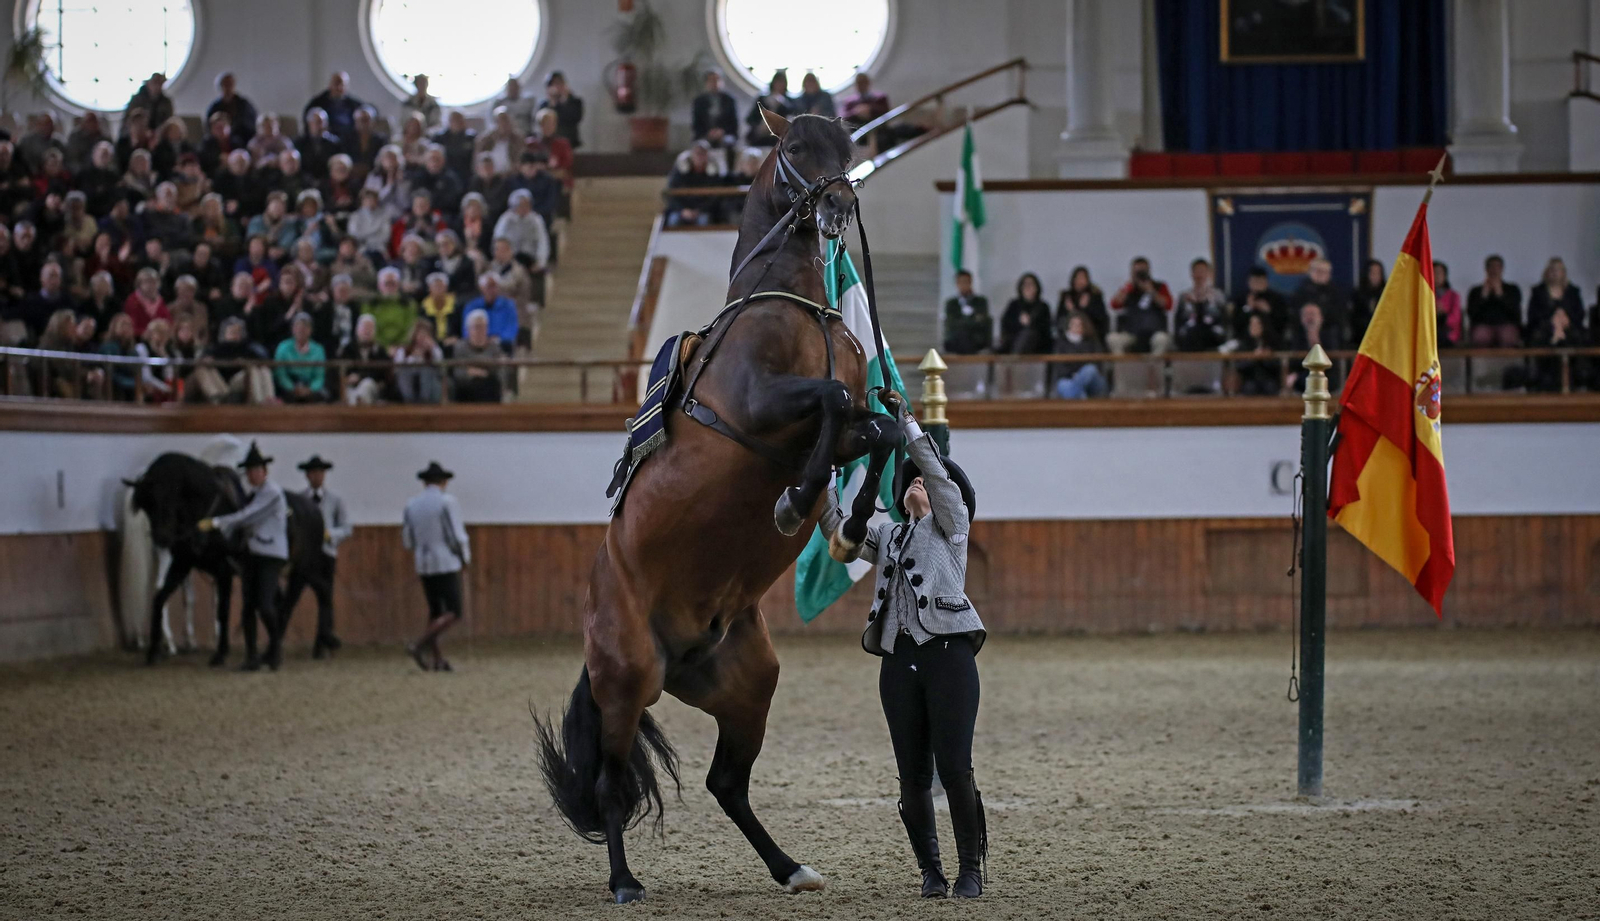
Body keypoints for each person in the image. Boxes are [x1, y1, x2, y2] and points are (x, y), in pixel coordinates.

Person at [815, 390, 987, 900]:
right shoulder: (888, 535)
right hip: (898, 661)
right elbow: (840, 538)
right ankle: (931, 873)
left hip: (950, 658)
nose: (917, 481)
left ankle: (971, 870)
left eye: (925, 481)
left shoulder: (952, 525)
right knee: (911, 775)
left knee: (955, 767)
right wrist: (822, 479)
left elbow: (936, 473)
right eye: (908, 479)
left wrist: (909, 424)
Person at [198, 442, 289, 670]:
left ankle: (275, 648)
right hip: (253, 554)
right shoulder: (254, 493)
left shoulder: (272, 493)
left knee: (266, 605)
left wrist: (217, 522)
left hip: (270, 555)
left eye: (255, 470)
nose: (251, 475)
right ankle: (252, 656)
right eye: (248, 471)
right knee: (248, 606)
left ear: (264, 472)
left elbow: (248, 516)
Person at [403, 461, 471, 671]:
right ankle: (420, 644)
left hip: (423, 562)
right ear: (443, 481)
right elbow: (457, 535)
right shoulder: (447, 502)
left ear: (425, 482)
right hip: (445, 560)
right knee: (454, 611)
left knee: (435, 612)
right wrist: (464, 557)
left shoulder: (412, 504)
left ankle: (437, 659)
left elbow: (407, 540)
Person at [283, 455, 348, 659]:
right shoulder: (298, 500)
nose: (317, 476)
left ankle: (322, 645)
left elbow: (346, 527)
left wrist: (331, 535)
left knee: (325, 599)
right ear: (307, 476)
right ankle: (277, 641)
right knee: (290, 598)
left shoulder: (335, 499)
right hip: (303, 556)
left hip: (325, 554)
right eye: (313, 473)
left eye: (320, 473)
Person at [1107, 258, 1171, 355]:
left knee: (1162, 339)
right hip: (1131, 331)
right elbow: (1114, 305)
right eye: (1137, 271)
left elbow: (1168, 305)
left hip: (1154, 330)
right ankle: (1124, 369)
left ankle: (1154, 369)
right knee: (1112, 338)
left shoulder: (1159, 286)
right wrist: (1128, 287)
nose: (1140, 274)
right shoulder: (1128, 289)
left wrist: (1151, 291)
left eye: (1143, 271)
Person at [449, 309, 506, 402]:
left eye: (483, 327)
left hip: (489, 386)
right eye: (476, 327)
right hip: (467, 387)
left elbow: (498, 370)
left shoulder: (494, 347)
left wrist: (476, 371)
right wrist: (477, 371)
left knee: (491, 384)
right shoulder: (460, 347)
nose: (480, 330)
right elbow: (458, 372)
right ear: (468, 329)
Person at [1466, 254, 1522, 347]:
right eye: (1491, 267)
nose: (1494, 270)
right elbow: (1472, 314)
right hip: (1483, 325)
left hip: (1506, 325)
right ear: (1486, 269)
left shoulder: (1512, 289)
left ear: (1502, 269)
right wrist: (1483, 296)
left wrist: (1500, 295)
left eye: (1497, 267)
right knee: (1480, 336)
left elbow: (1515, 313)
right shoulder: (1476, 291)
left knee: (1508, 336)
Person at [664, 141, 723, 226]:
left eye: (703, 154)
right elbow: (671, 194)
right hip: (681, 210)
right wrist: (683, 210)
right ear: (692, 155)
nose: (700, 157)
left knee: (704, 220)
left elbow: (715, 197)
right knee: (673, 220)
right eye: (697, 154)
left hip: (703, 210)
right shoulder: (679, 173)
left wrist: (699, 210)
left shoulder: (713, 175)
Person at [1052, 311, 1108, 399]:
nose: (1076, 327)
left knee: (1090, 369)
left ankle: (1079, 394)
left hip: (1092, 381)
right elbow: (1059, 366)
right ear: (1068, 325)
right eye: (1073, 324)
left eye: (1079, 324)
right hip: (1068, 378)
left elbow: (1097, 363)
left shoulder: (1092, 341)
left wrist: (1079, 376)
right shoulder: (1061, 343)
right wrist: (1074, 375)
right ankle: (1082, 397)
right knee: (1065, 385)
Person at [1292, 258, 1350, 344]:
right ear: (1310, 272)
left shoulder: (1336, 292)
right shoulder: (1300, 292)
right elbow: (1294, 314)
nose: (1321, 274)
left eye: (1325, 272)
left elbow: (1340, 314)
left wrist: (1319, 319)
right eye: (1318, 271)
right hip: (1303, 333)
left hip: (1329, 330)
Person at [492, 188, 550, 271]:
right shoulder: (506, 219)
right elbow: (497, 240)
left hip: (529, 258)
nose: (524, 208)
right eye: (521, 205)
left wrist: (541, 262)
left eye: (526, 205)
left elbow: (542, 242)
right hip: (509, 258)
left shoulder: (536, 220)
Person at [1526, 257, 1585, 337]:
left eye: (1558, 269)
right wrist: (1553, 320)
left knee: (1577, 335)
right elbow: (1533, 315)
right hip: (1544, 327)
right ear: (1547, 272)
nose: (1555, 273)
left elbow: (1579, 314)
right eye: (1552, 269)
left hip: (1569, 327)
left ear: (1564, 272)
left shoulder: (1573, 292)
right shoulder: (1538, 291)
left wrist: (1564, 319)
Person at [462, 272, 520, 354]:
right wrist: (481, 339)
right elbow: (466, 330)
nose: (492, 290)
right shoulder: (472, 306)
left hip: (500, 343)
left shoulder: (508, 305)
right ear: (482, 288)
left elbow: (512, 328)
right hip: (476, 344)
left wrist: (497, 339)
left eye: (495, 286)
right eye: (489, 287)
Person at [339, 313, 389, 404]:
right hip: (351, 387)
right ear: (357, 330)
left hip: (373, 387)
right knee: (350, 393)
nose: (367, 331)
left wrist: (360, 377)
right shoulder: (348, 349)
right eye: (364, 328)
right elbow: (342, 370)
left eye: (370, 328)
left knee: (367, 384)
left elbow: (382, 373)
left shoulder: (380, 350)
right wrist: (347, 379)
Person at [997, 272, 1051, 354]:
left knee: (1028, 335)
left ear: (1037, 288)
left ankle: (1014, 362)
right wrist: (1019, 322)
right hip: (1013, 340)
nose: (1028, 288)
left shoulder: (1043, 306)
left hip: (1037, 344)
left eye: (1031, 285)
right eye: (1025, 285)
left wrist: (1030, 323)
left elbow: (1046, 329)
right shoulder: (1014, 304)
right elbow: (1006, 324)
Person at [306, 72, 367, 143]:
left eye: (342, 85)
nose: (339, 88)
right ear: (330, 85)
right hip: (325, 142)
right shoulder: (317, 103)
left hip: (350, 141)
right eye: (336, 84)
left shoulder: (355, 105)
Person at [393, 318, 443, 403]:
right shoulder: (404, 350)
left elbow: (441, 364)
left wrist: (433, 347)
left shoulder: (433, 349)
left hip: (428, 379)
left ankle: (424, 401)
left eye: (425, 334)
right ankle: (409, 402)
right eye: (420, 334)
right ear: (414, 335)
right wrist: (413, 358)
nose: (422, 337)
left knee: (426, 369)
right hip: (409, 377)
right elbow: (397, 367)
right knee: (403, 372)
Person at [1233, 266, 1289, 342]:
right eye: (1255, 282)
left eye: (1260, 282)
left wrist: (1269, 311)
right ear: (1249, 282)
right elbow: (1236, 324)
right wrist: (1248, 308)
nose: (1257, 285)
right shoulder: (1241, 299)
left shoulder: (1276, 299)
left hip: (1273, 341)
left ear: (1266, 282)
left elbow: (1283, 323)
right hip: (1245, 342)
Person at [943, 270, 991, 355]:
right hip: (956, 340)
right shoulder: (951, 303)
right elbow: (952, 323)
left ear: (970, 283)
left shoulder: (980, 302)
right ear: (957, 284)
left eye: (966, 282)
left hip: (976, 339)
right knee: (961, 335)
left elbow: (982, 322)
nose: (963, 285)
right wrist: (972, 321)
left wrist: (962, 322)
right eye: (960, 282)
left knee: (967, 336)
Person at [1056, 266, 1109, 342]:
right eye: (1077, 278)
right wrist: (1071, 311)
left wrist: (1085, 308)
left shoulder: (1095, 296)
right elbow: (1059, 319)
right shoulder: (1066, 296)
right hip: (1069, 334)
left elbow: (1101, 319)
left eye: (1082, 278)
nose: (1079, 281)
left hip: (1091, 334)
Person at [746, 71, 797, 147]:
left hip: (778, 136)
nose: (779, 85)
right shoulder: (762, 99)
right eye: (778, 82)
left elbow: (791, 117)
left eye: (782, 82)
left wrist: (782, 104)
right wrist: (759, 127)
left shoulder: (789, 102)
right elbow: (750, 118)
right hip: (760, 135)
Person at [1234, 313, 1281, 396]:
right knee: (1250, 387)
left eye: (1257, 324)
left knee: (1270, 387)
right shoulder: (1244, 344)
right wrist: (1253, 358)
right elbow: (1239, 366)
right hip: (1250, 378)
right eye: (1252, 324)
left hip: (1268, 377)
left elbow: (1277, 365)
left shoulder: (1272, 341)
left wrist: (1266, 358)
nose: (1254, 327)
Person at [207, 72, 259, 145]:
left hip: (243, 140)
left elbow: (252, 124)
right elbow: (210, 127)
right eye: (225, 84)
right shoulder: (214, 107)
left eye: (230, 84)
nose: (228, 87)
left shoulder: (244, 105)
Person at [537, 70, 584, 150]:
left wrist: (564, 101)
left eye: (559, 83)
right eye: (553, 84)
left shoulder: (575, 102)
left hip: (570, 143)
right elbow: (542, 121)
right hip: (549, 145)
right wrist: (553, 103)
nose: (556, 87)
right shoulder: (544, 104)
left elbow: (574, 118)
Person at [692, 69, 740, 141]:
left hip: (726, 135)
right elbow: (696, 124)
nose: (715, 83)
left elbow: (734, 123)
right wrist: (709, 133)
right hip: (704, 135)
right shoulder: (699, 101)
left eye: (717, 80)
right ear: (706, 83)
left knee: (728, 142)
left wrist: (722, 132)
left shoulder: (729, 100)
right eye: (711, 80)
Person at [122, 74, 174, 139]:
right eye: (155, 83)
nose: (156, 86)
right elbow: (130, 119)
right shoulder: (137, 100)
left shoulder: (166, 102)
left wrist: (157, 133)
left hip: (160, 137)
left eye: (159, 83)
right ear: (148, 83)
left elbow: (169, 120)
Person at [297, 109, 343, 180]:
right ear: (309, 123)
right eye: (317, 122)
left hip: (329, 180)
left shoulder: (334, 143)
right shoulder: (299, 143)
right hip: (305, 179)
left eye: (322, 122)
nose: (320, 126)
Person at [123, 267, 171, 337]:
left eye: (153, 282)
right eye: (146, 282)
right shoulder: (133, 301)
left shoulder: (160, 301)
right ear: (139, 284)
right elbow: (130, 327)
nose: (150, 286)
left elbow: (168, 322)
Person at [1350, 258, 1386, 345]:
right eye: (1373, 273)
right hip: (1362, 338)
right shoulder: (1358, 294)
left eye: (1378, 273)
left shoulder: (1386, 294)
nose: (1375, 276)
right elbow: (1354, 318)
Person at [1433, 261, 1462, 347]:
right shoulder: (1422, 295)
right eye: (1433, 272)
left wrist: (1443, 314)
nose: (1436, 276)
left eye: (1439, 273)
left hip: (1448, 332)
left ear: (1445, 276)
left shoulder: (1454, 295)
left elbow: (1455, 319)